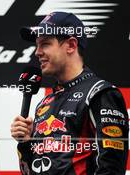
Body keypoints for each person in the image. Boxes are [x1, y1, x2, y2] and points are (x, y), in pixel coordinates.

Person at [10, 12, 129, 174]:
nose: (37, 52)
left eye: (45, 44)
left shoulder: (100, 93)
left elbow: (111, 169)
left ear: (71, 45)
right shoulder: (44, 104)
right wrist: (27, 142)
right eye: (37, 45)